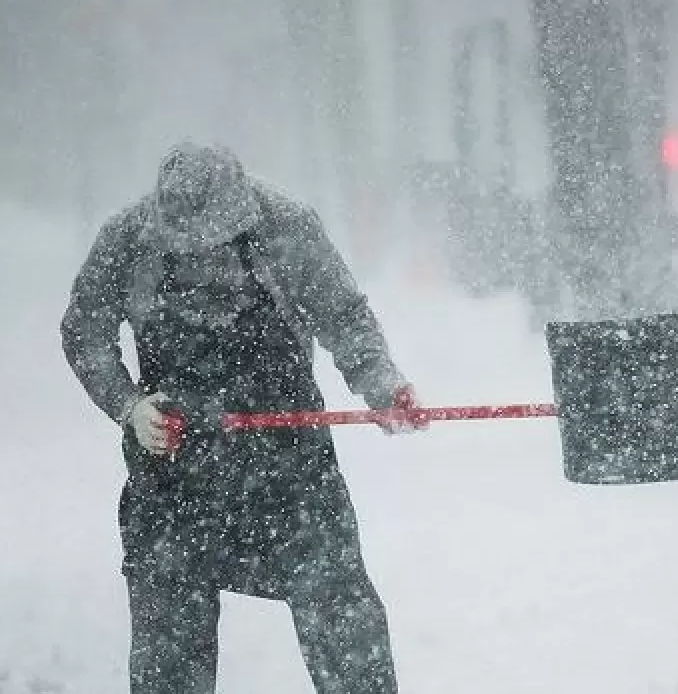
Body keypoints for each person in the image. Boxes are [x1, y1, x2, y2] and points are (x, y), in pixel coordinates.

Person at [60, 142, 424, 694]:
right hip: (173, 481)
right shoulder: (128, 240)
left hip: (289, 474)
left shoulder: (286, 226)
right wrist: (129, 406)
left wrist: (381, 386)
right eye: (187, 251)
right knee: (168, 656)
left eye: (216, 248)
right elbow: (85, 332)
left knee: (343, 623)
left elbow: (344, 316)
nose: (204, 264)